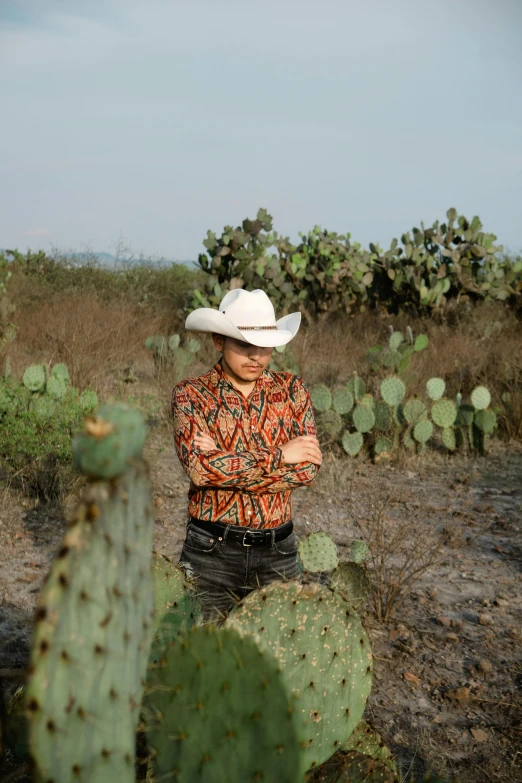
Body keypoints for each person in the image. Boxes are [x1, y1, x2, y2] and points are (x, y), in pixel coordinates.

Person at [171, 288, 322, 621]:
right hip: (210, 551)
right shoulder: (191, 395)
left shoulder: (292, 390)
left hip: (279, 553)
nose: (256, 356)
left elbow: (307, 471)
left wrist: (225, 461)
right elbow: (199, 471)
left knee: (275, 665)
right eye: (244, 344)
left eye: (265, 346)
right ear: (218, 340)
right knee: (199, 660)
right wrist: (281, 455)